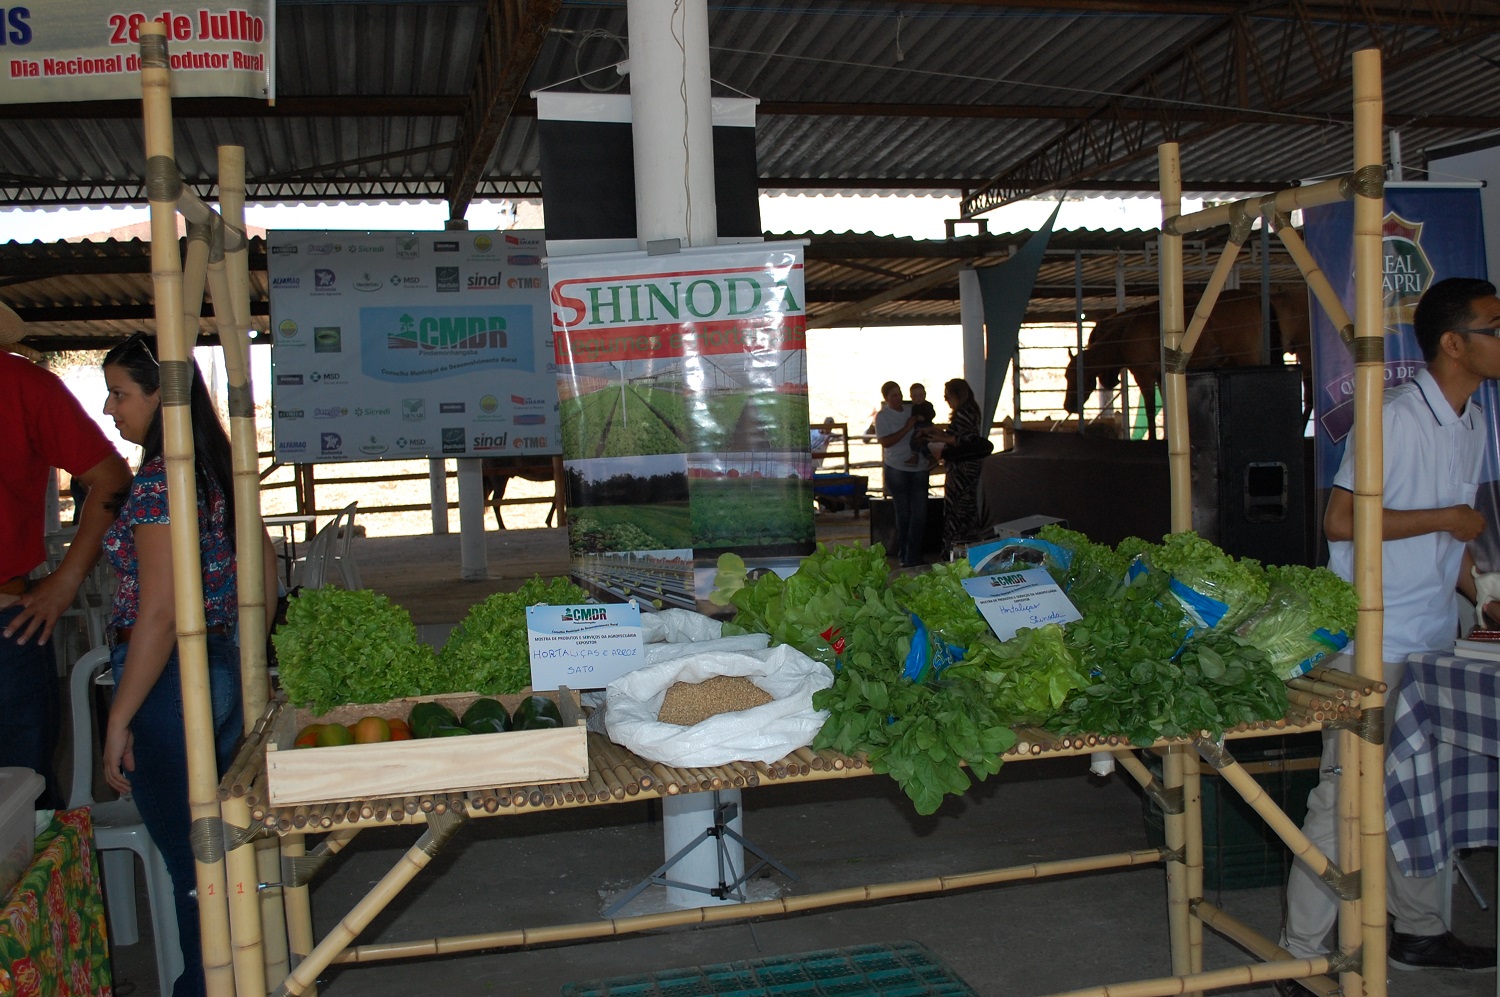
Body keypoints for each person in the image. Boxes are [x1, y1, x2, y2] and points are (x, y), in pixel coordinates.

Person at [1274, 277, 1500, 995]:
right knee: (1345, 796)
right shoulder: (1396, 417)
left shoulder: (1474, 418)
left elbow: (1455, 538)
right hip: (1370, 638)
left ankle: (1420, 930)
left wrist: (1484, 597)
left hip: (1431, 638)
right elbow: (1341, 523)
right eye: (1494, 328)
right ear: (1453, 343)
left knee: (1420, 790)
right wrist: (1446, 519)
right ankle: (1298, 954)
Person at [99, 332, 277, 997]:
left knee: (193, 867)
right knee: (220, 857)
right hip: (220, 668)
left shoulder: (159, 482)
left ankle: (203, 987)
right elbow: (267, 577)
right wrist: (243, 664)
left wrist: (118, 717)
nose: (110, 409)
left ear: (159, 398)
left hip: (170, 679)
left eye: (119, 394)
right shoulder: (219, 472)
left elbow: (160, 613)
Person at [0, 304, 132, 808]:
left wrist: (67, 579)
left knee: (24, 798)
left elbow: (111, 478)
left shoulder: (20, 382)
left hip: (8, 621)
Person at [923, 378, 988, 553]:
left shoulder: (965, 412)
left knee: (959, 510)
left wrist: (939, 438)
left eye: (948, 395)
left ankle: (956, 549)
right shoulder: (970, 411)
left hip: (962, 469)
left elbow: (964, 439)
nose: (946, 399)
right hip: (965, 467)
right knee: (964, 510)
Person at [875, 380, 930, 567]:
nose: (898, 398)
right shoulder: (883, 417)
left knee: (920, 513)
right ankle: (905, 554)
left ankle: (913, 554)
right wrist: (907, 428)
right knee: (904, 513)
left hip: (919, 467)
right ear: (886, 399)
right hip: (897, 467)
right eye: (894, 396)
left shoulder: (912, 410)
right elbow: (885, 442)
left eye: (899, 394)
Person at [905, 383, 936, 465]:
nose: (918, 398)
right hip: (917, 427)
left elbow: (932, 414)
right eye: (915, 396)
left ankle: (914, 456)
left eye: (920, 395)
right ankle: (930, 458)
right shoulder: (914, 407)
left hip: (925, 426)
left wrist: (924, 418)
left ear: (925, 395)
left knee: (914, 440)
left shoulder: (927, 405)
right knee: (922, 445)